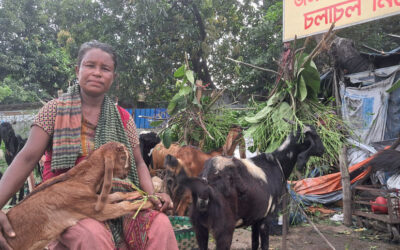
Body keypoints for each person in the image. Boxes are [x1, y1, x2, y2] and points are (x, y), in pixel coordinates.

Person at [0, 40, 179, 250]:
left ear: (113, 77)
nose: (97, 73)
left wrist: (152, 197)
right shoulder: (54, 111)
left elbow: (139, 163)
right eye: (90, 66)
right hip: (64, 205)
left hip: (113, 197)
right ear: (78, 70)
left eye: (105, 68)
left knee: (160, 226)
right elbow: (27, 157)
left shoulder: (123, 118)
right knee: (91, 235)